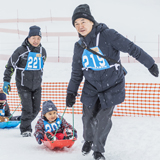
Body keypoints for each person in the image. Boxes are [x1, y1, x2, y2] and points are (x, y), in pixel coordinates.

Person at [66, 4, 159, 160]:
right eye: (76, 24)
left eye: (83, 21)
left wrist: (150, 63)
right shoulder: (79, 46)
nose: (80, 26)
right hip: (91, 86)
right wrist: (71, 92)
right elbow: (76, 72)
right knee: (87, 116)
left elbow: (131, 48)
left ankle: (98, 150)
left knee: (103, 118)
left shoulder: (108, 35)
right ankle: (88, 139)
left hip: (112, 84)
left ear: (91, 21)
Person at [3, 25, 47, 137]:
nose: (36, 41)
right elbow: (10, 66)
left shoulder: (42, 51)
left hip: (37, 85)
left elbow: (41, 65)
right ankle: (25, 129)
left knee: (36, 109)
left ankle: (23, 121)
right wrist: (6, 81)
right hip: (23, 85)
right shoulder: (20, 51)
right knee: (27, 108)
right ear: (28, 38)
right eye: (33, 38)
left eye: (38, 38)